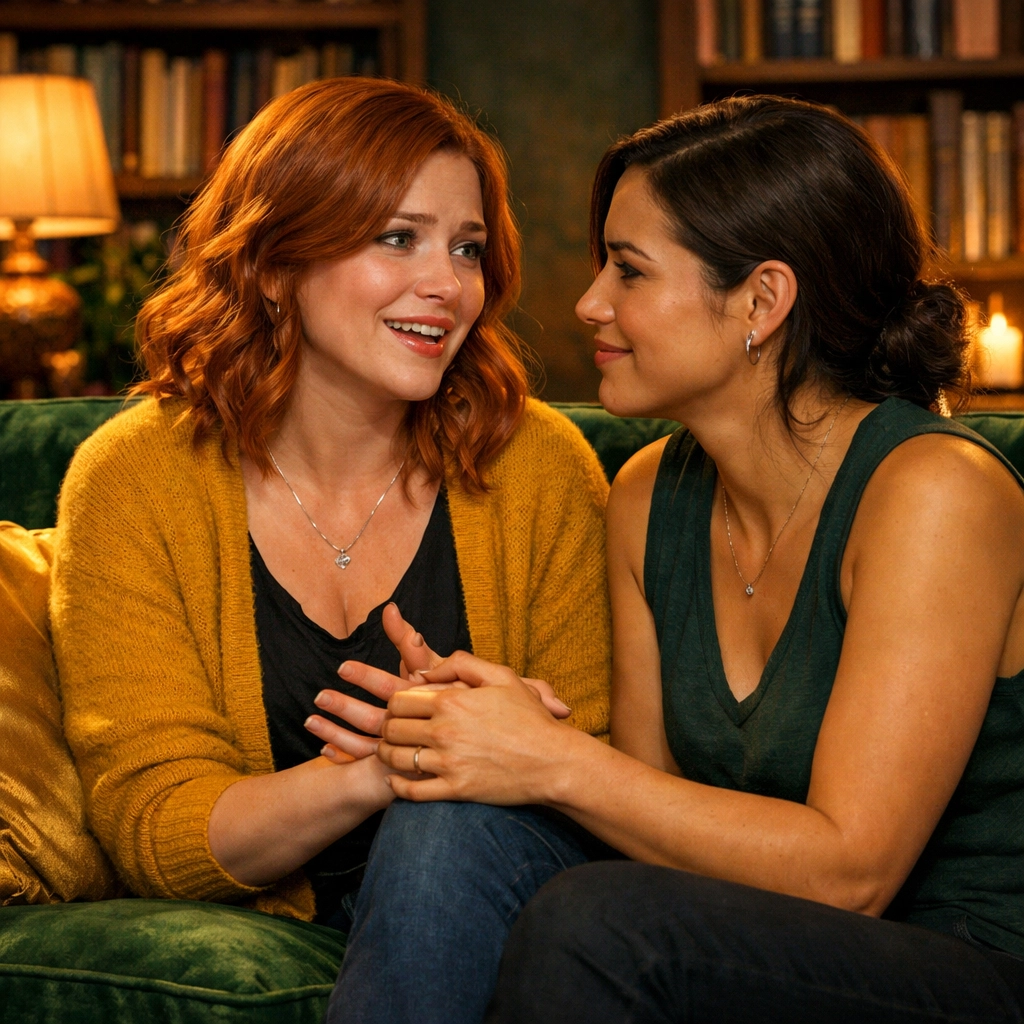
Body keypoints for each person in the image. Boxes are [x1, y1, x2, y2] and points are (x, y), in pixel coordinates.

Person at [314, 96, 1024, 1022]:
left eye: (630, 270)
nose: (589, 303)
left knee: (599, 922)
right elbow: (648, 827)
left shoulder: (935, 492)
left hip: (965, 966)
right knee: (449, 813)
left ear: (762, 301)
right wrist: (483, 733)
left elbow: (852, 874)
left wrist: (554, 759)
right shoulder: (649, 495)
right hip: (747, 944)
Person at [49, 77, 610, 933]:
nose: (448, 285)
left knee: (440, 837)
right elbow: (156, 827)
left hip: (498, 917)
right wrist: (383, 767)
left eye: (467, 249)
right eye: (398, 238)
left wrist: (516, 751)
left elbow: (599, 774)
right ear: (277, 264)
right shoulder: (134, 478)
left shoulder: (539, 465)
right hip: (278, 923)